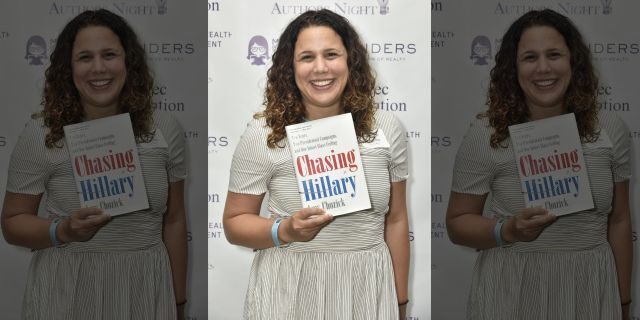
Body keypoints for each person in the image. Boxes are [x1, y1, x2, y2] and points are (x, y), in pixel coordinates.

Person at [223, 9, 410, 320]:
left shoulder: (387, 128)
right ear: (290, 68)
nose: (321, 68)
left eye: (332, 54)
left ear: (351, 61)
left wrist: (399, 304)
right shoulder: (264, 134)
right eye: (307, 57)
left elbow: (397, 219)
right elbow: (234, 222)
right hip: (289, 293)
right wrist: (285, 230)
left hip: (366, 290)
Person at [1, 9, 187, 320]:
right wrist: (63, 230)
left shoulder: (164, 128)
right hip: (68, 290)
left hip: (145, 289)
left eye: (109, 54)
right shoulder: (42, 133)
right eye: (85, 57)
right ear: (68, 68)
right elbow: (12, 222)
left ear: (128, 62)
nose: (98, 68)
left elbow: (175, 220)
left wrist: (178, 302)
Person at [446, 9, 633, 320]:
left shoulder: (610, 129)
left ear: (574, 62)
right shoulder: (486, 133)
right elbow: (457, 222)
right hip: (512, 291)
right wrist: (507, 230)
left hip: (590, 290)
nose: (544, 68)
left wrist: (623, 303)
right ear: (513, 68)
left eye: (555, 54)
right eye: (530, 57)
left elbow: (620, 220)